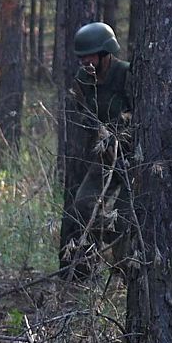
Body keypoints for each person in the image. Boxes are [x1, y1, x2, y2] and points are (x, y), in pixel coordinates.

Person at [65, 21, 134, 268]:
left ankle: (127, 271)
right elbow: (82, 112)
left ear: (105, 54)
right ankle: (100, 256)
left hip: (133, 158)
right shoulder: (82, 80)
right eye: (81, 58)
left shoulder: (127, 74)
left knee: (126, 218)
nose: (85, 62)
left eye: (90, 56)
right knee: (83, 206)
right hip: (105, 155)